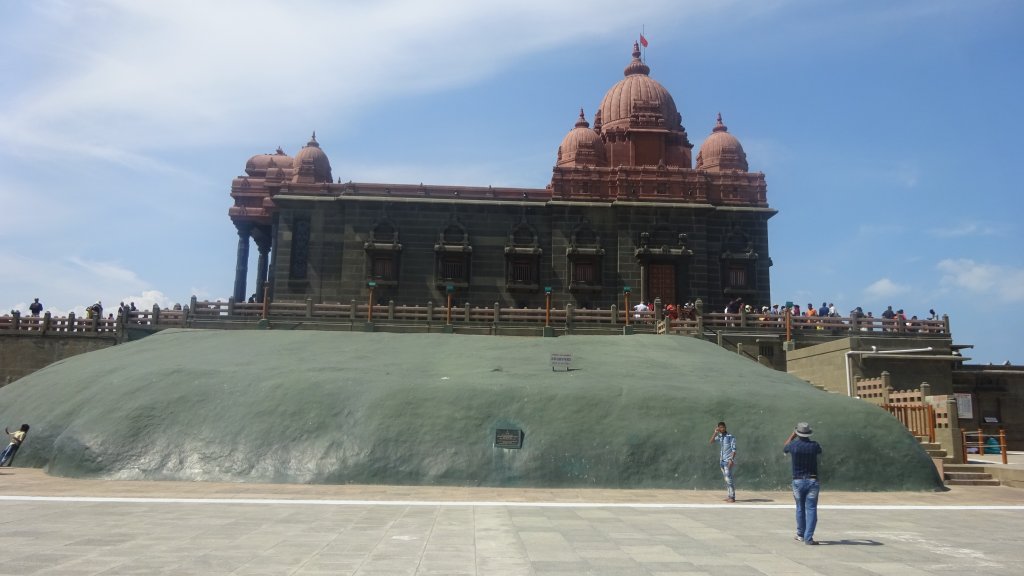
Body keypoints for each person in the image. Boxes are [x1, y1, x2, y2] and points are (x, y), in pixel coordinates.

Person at [784, 422, 823, 545]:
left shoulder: (793, 446)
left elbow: (785, 447)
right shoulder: (814, 445)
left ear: (798, 433)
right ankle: (808, 537)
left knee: (800, 507)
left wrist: (792, 436)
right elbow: (819, 451)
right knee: (811, 508)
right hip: (812, 480)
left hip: (798, 480)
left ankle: (800, 534)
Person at [709, 421, 737, 502]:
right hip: (721, 461)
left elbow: (734, 450)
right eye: (720, 427)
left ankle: (732, 497)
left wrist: (731, 460)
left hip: (728, 461)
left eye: (723, 427)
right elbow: (711, 441)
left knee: (729, 479)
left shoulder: (730, 437)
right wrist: (715, 432)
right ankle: (729, 496)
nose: (722, 429)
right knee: (726, 479)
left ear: (725, 427)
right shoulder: (720, 437)